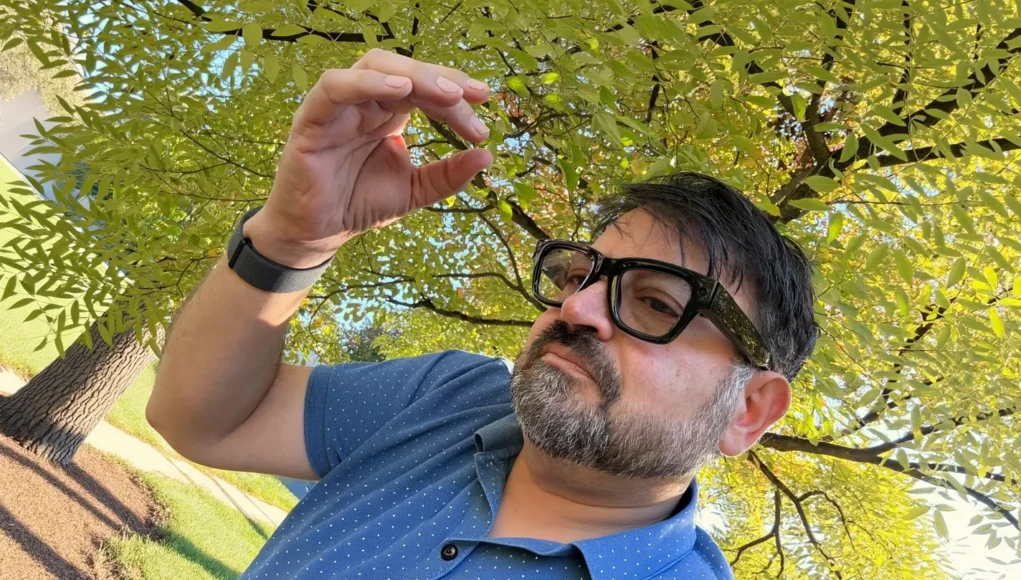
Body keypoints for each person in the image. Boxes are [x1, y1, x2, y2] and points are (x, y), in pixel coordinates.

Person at [147, 49, 817, 579]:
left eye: (653, 302)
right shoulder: (450, 398)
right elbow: (202, 422)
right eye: (579, 274)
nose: (576, 306)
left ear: (749, 410)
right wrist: (296, 237)